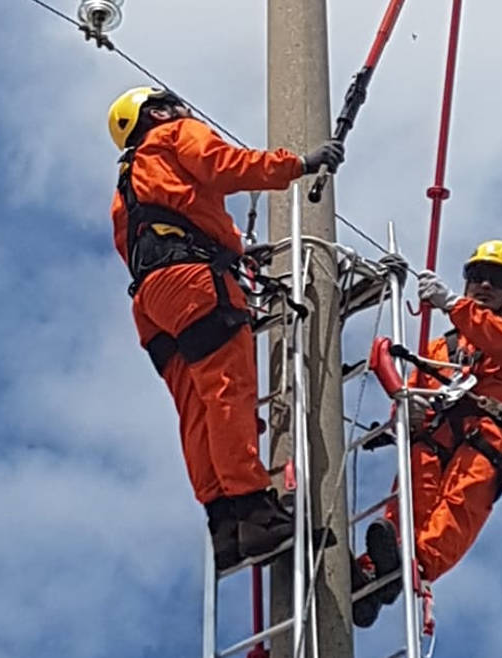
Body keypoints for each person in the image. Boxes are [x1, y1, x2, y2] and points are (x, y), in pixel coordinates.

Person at [106, 86, 345, 569]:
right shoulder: (175, 135)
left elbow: (163, 229)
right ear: (156, 112)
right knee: (226, 392)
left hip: (152, 303)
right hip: (194, 284)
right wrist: (297, 164)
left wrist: (231, 254)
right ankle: (255, 511)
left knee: (196, 410)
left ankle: (225, 522)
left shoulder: (128, 185)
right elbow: (225, 164)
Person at [353, 239, 502, 626]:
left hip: (490, 435)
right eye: (478, 277)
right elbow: (411, 389)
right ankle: (377, 570)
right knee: (408, 497)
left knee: (460, 503)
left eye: (496, 280)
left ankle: (417, 566)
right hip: (436, 436)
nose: (485, 286)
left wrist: (453, 305)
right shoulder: (439, 347)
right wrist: (404, 413)